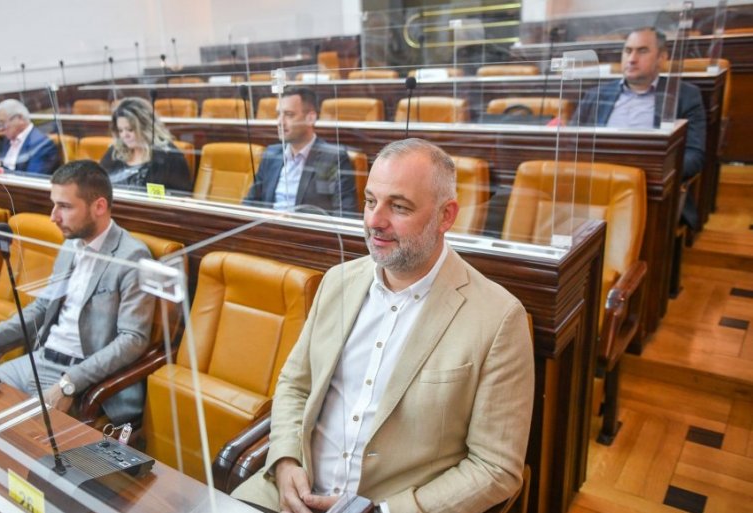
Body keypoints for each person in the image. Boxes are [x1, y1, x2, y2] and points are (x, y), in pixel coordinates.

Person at [232, 138, 534, 513]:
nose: (375, 221)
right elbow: (296, 384)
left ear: (446, 216)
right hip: (289, 495)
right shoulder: (338, 282)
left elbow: (495, 468)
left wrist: (383, 511)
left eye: (399, 206)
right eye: (370, 201)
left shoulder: (499, 318)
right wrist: (286, 459)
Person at [0, 160, 153, 423]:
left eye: (64, 206)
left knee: (15, 433)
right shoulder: (70, 245)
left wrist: (70, 383)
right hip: (39, 359)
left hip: (82, 377)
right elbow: (43, 306)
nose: (53, 216)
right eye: (54, 205)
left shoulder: (132, 256)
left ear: (99, 206)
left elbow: (133, 339)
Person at [575, 27, 706, 228]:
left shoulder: (685, 96)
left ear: (662, 58)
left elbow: (694, 156)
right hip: (594, 186)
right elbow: (572, 142)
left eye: (642, 51)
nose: (632, 59)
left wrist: (652, 174)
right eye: (628, 51)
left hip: (649, 192)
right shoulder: (596, 95)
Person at [243, 86, 357, 216]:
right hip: (268, 226)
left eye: (289, 115)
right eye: (278, 114)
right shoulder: (271, 154)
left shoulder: (333, 158)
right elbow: (250, 203)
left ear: (310, 118)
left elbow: (344, 215)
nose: (280, 122)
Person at [99, 97, 193, 193]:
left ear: (145, 128)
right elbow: (98, 183)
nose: (124, 135)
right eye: (120, 130)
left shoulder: (169, 156)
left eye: (130, 129)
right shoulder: (116, 151)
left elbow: (181, 196)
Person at [0, 98, 59, 175]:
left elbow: (31, 180)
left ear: (20, 119)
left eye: (3, 123)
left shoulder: (42, 145)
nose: (0, 129)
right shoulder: (5, 140)